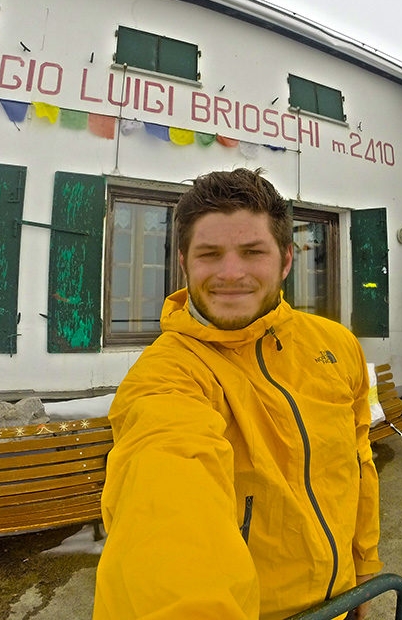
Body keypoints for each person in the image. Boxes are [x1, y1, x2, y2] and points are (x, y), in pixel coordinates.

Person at [93, 168, 382, 620]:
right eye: (210, 254)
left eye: (252, 252)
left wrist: (363, 572)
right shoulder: (166, 376)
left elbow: (358, 463)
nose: (232, 273)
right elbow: (167, 513)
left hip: (341, 600)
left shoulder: (335, 344)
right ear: (185, 263)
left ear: (286, 260)